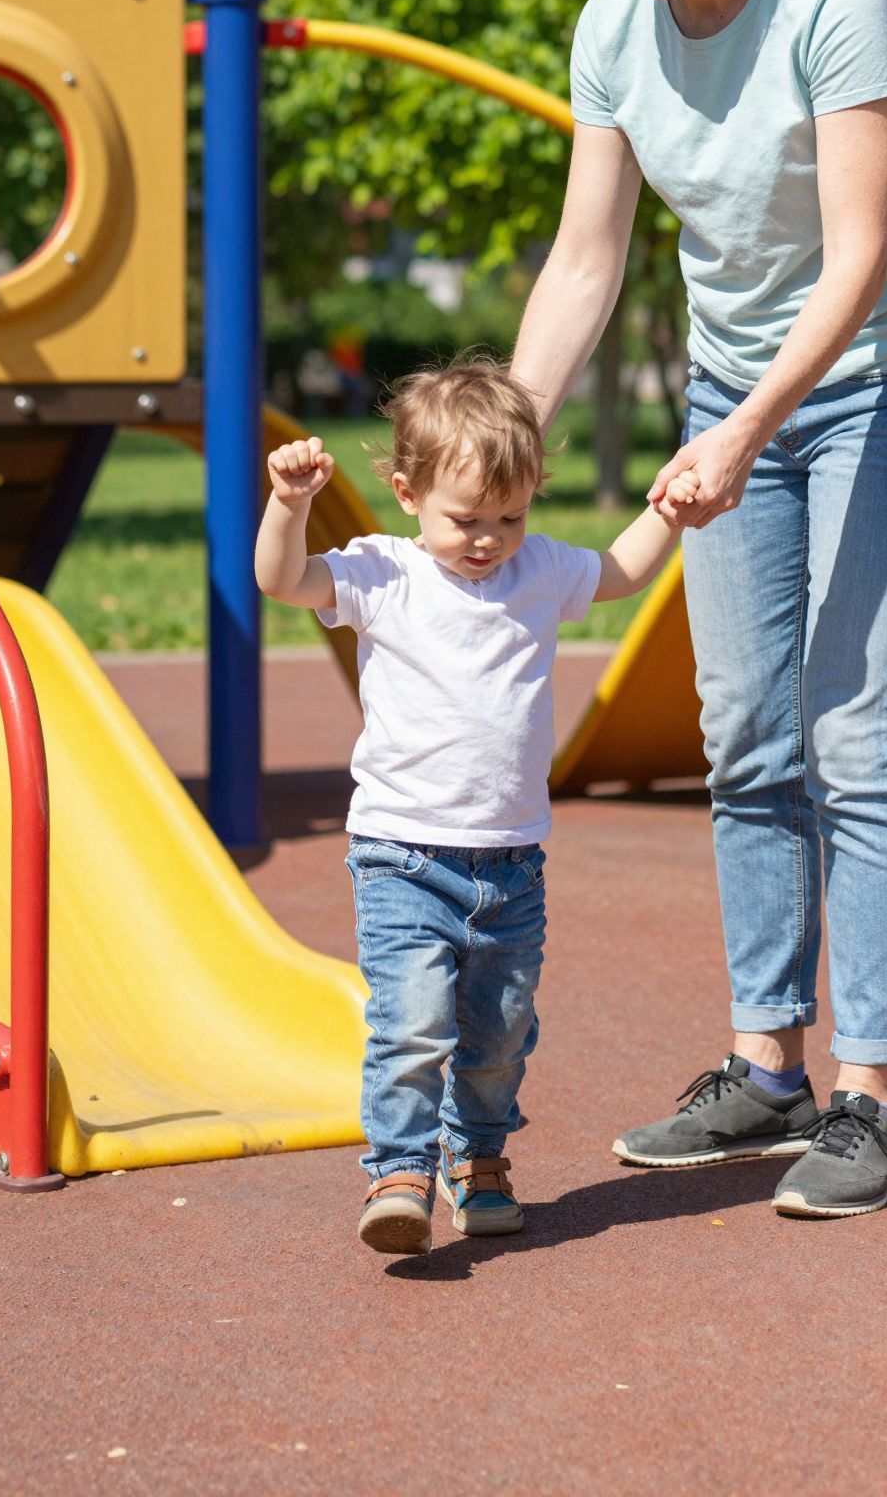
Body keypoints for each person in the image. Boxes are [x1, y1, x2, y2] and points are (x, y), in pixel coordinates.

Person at [511, 0, 887, 1219]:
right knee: (746, 730)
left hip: (884, 386)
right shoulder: (609, 24)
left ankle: (873, 1099)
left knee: (851, 732)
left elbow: (853, 264)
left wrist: (741, 428)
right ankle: (766, 1068)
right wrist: (504, 433)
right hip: (742, 395)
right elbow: (589, 258)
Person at [254, 357, 698, 1257]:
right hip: (403, 857)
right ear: (407, 491)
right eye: (467, 520)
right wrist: (289, 506)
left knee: (497, 1035)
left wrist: (668, 515)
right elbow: (282, 581)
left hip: (510, 862)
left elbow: (617, 572)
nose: (491, 537)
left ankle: (480, 1155)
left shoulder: (538, 570)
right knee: (412, 1022)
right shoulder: (382, 573)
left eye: (512, 515)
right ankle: (400, 1173)